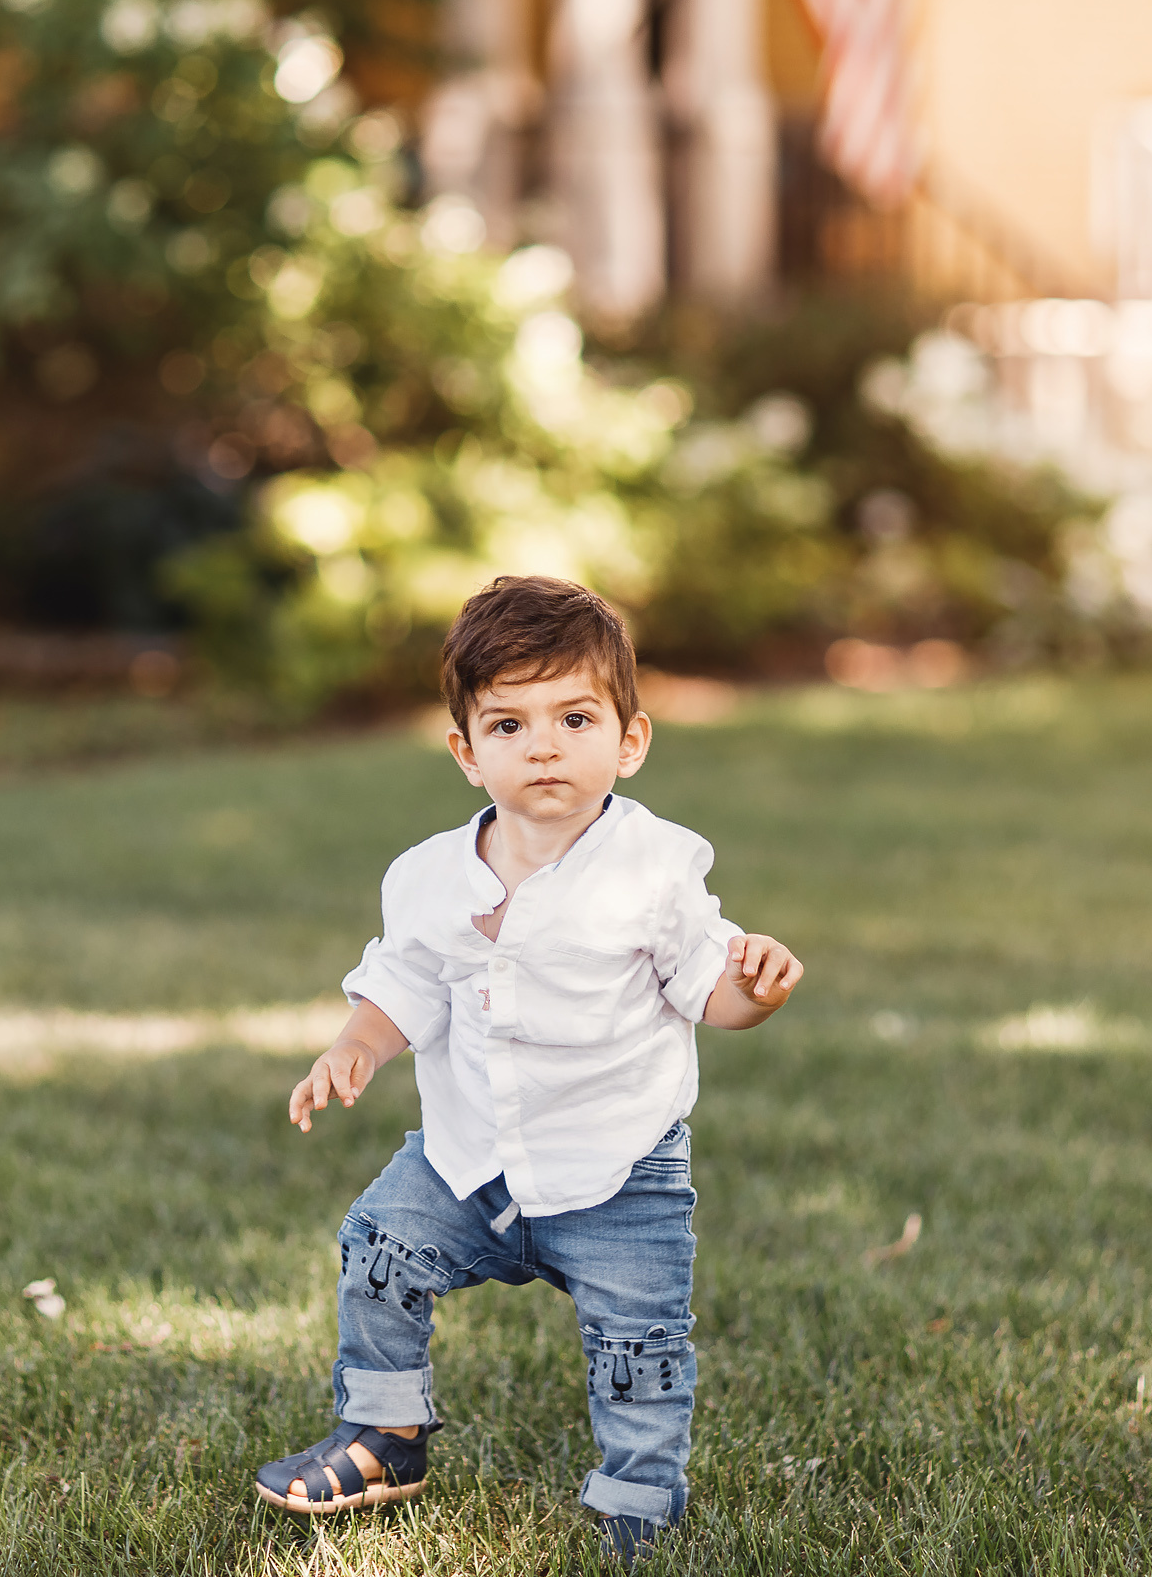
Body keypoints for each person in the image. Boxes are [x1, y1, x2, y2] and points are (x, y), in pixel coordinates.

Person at [254, 575, 804, 1563]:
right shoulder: (426, 876)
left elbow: (708, 995)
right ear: (465, 752)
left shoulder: (655, 868)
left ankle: (638, 1497)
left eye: (574, 717)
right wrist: (356, 1045)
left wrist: (754, 988)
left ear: (629, 741)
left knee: (639, 1347)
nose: (542, 744)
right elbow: (404, 984)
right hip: (469, 1159)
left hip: (618, 1169)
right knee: (376, 1250)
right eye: (507, 724)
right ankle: (386, 1435)